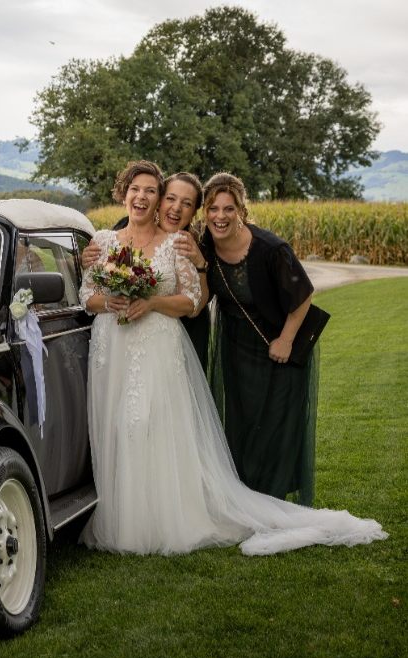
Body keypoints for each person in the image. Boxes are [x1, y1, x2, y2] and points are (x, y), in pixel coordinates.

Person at [79, 160, 386, 556]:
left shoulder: (184, 244)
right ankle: (125, 517)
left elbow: (194, 300)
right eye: (153, 194)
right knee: (119, 426)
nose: (153, 200)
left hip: (166, 345)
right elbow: (88, 293)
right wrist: (108, 294)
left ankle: (170, 517)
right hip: (115, 349)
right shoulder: (106, 239)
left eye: (161, 194)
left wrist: (154, 298)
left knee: (151, 424)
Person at [200, 173, 317, 505]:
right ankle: (247, 499)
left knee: (275, 427)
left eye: (229, 208)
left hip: (279, 349)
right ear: (205, 211)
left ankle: (273, 501)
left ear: (242, 211)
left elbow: (304, 295)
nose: (220, 216)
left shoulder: (270, 249)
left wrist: (286, 340)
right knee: (242, 424)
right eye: (213, 209)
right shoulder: (204, 244)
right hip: (237, 350)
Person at [82, 172, 211, 368]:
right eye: (171, 198)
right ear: (160, 202)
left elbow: (195, 304)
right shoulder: (116, 232)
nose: (176, 208)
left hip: (178, 335)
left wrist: (201, 264)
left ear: (194, 212)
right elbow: (94, 286)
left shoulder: (191, 244)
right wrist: (86, 262)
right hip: (115, 343)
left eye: (186, 203)